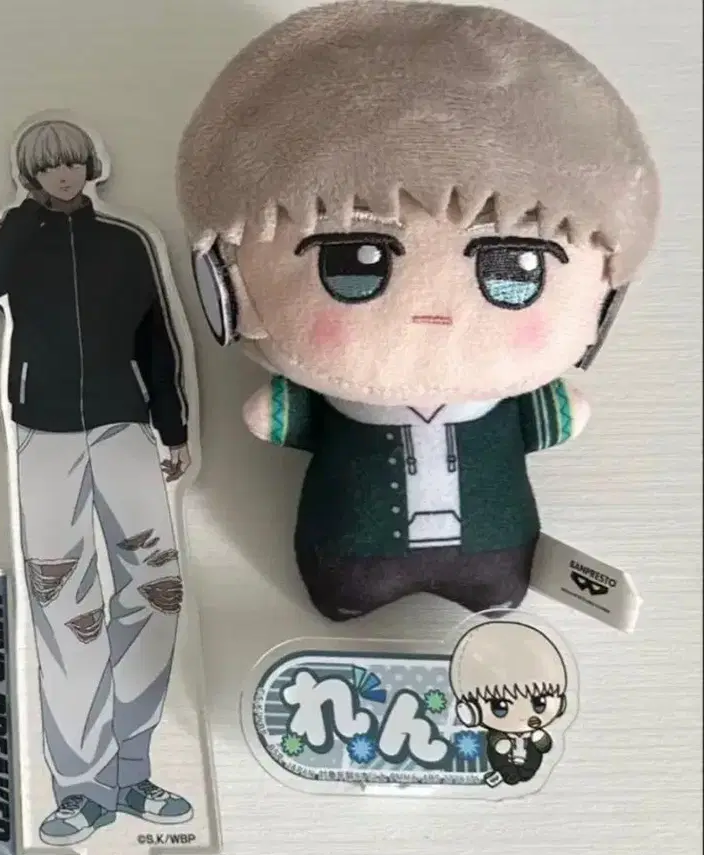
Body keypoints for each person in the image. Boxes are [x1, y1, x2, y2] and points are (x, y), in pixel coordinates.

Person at [176, 0, 659, 621]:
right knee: (346, 585)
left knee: (485, 588)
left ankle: (482, 588)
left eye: (514, 271)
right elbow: (279, 416)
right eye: (353, 263)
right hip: (351, 559)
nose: (435, 311)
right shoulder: (334, 402)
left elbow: (556, 416)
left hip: (490, 555)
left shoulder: (507, 404)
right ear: (228, 288)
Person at [0, 116, 193, 846]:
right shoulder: (17, 239)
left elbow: (157, 338)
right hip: (45, 436)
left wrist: (173, 426)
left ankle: (133, 771)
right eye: (48, 168)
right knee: (64, 604)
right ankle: (82, 789)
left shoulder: (125, 242)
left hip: (125, 428)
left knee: (157, 588)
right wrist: (23, 216)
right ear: (32, 175)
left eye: (72, 164)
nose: (63, 176)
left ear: (90, 166)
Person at [449, 621, 569, 786]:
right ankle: (508, 773)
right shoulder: (496, 735)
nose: (523, 717)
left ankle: (524, 773)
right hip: (504, 765)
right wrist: (501, 743)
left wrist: (540, 739)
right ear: (471, 712)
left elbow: (545, 747)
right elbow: (497, 744)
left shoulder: (535, 733)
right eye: (500, 707)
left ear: (560, 704)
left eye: (539, 703)